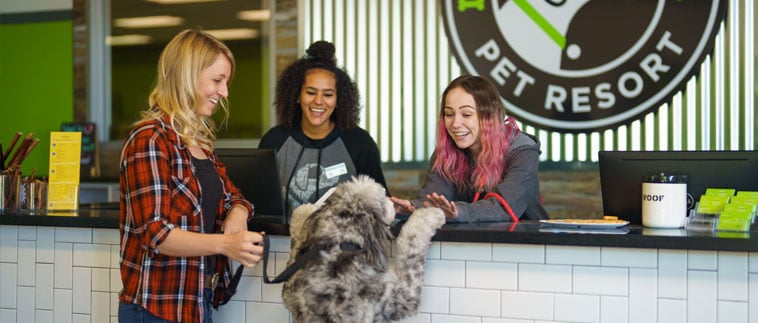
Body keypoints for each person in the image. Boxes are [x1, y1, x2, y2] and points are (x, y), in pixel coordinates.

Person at [118, 29, 264, 323]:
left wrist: (237, 213)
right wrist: (225, 244)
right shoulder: (150, 139)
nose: (224, 93)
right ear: (187, 75)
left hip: (196, 304)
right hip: (154, 310)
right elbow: (156, 234)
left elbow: (233, 195)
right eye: (217, 80)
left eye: (226, 82)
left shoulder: (198, 143)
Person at [391, 75, 549, 222]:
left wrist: (458, 212)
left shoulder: (522, 150)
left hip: (527, 245)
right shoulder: (447, 151)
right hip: (469, 246)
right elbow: (433, 200)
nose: (455, 124)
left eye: (466, 114)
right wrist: (412, 208)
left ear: (489, 117)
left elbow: (503, 207)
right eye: (449, 114)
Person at [259, 40, 388, 215]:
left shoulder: (360, 143)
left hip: (344, 240)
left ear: (338, 100)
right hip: (284, 241)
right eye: (311, 92)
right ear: (297, 96)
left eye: (328, 94)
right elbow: (260, 204)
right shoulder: (275, 140)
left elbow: (380, 205)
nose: (318, 101)